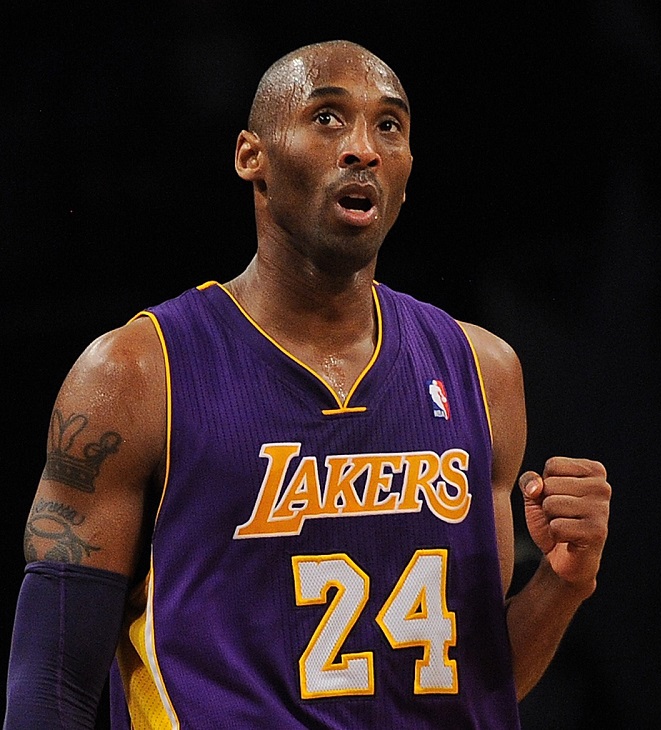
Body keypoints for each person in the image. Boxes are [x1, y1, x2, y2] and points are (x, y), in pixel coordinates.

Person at [4, 39, 611, 728]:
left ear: (407, 172)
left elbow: (479, 682)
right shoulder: (136, 372)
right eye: (327, 117)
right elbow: (51, 679)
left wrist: (562, 583)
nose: (363, 148)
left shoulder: (483, 370)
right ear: (250, 156)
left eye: (390, 125)